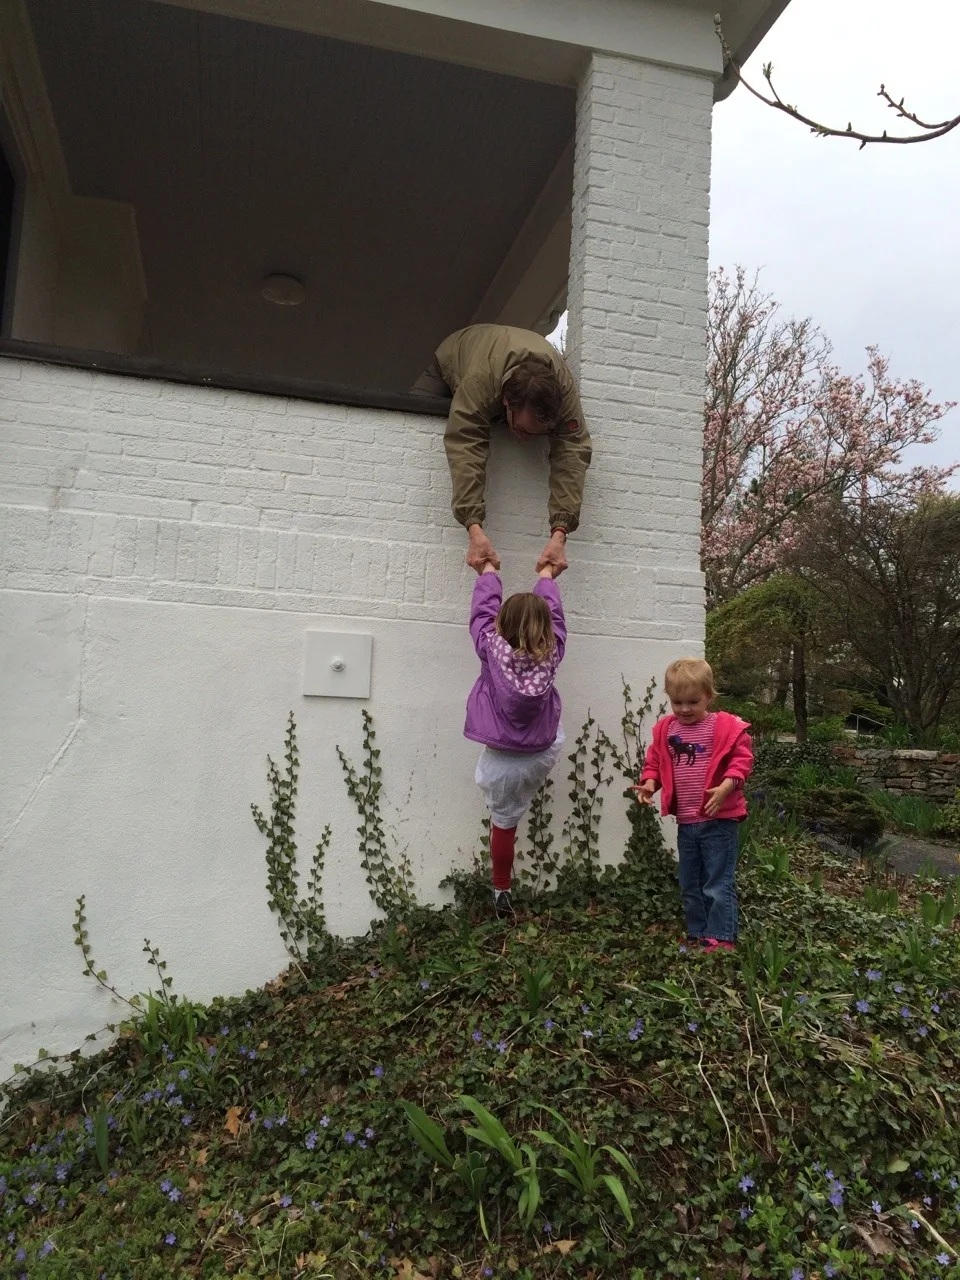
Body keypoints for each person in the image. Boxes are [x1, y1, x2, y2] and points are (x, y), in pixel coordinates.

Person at [413, 324, 593, 579]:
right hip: (454, 357)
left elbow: (573, 452)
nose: (525, 440)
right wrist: (473, 527)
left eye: (537, 433)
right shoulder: (480, 381)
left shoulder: (564, 392)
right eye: (521, 429)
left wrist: (560, 532)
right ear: (506, 401)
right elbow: (465, 445)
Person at [464, 557, 567, 917]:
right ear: (547, 630)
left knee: (504, 823)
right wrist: (546, 577)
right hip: (541, 750)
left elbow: (481, 616)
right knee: (555, 738)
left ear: (501, 624)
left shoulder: (490, 648)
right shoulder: (553, 651)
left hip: (502, 756)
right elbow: (555, 617)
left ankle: (501, 888)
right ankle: (503, 888)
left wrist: (488, 574)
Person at [632, 658, 753, 952]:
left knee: (716, 882)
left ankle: (722, 937)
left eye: (693, 702)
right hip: (687, 822)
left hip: (718, 820)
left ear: (709, 696)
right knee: (689, 882)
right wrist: (650, 783)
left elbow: (742, 760)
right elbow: (656, 763)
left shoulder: (723, 726)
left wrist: (727, 785)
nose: (684, 709)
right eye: (677, 702)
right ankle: (697, 932)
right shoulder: (666, 730)